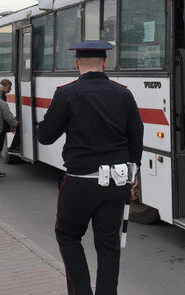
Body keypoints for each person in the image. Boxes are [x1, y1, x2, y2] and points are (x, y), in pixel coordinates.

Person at [37, 40, 143, 295]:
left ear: (76, 64)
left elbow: (46, 136)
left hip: (80, 182)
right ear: (105, 63)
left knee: (68, 236)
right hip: (116, 182)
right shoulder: (123, 93)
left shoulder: (67, 93)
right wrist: (133, 174)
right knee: (109, 245)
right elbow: (136, 134)